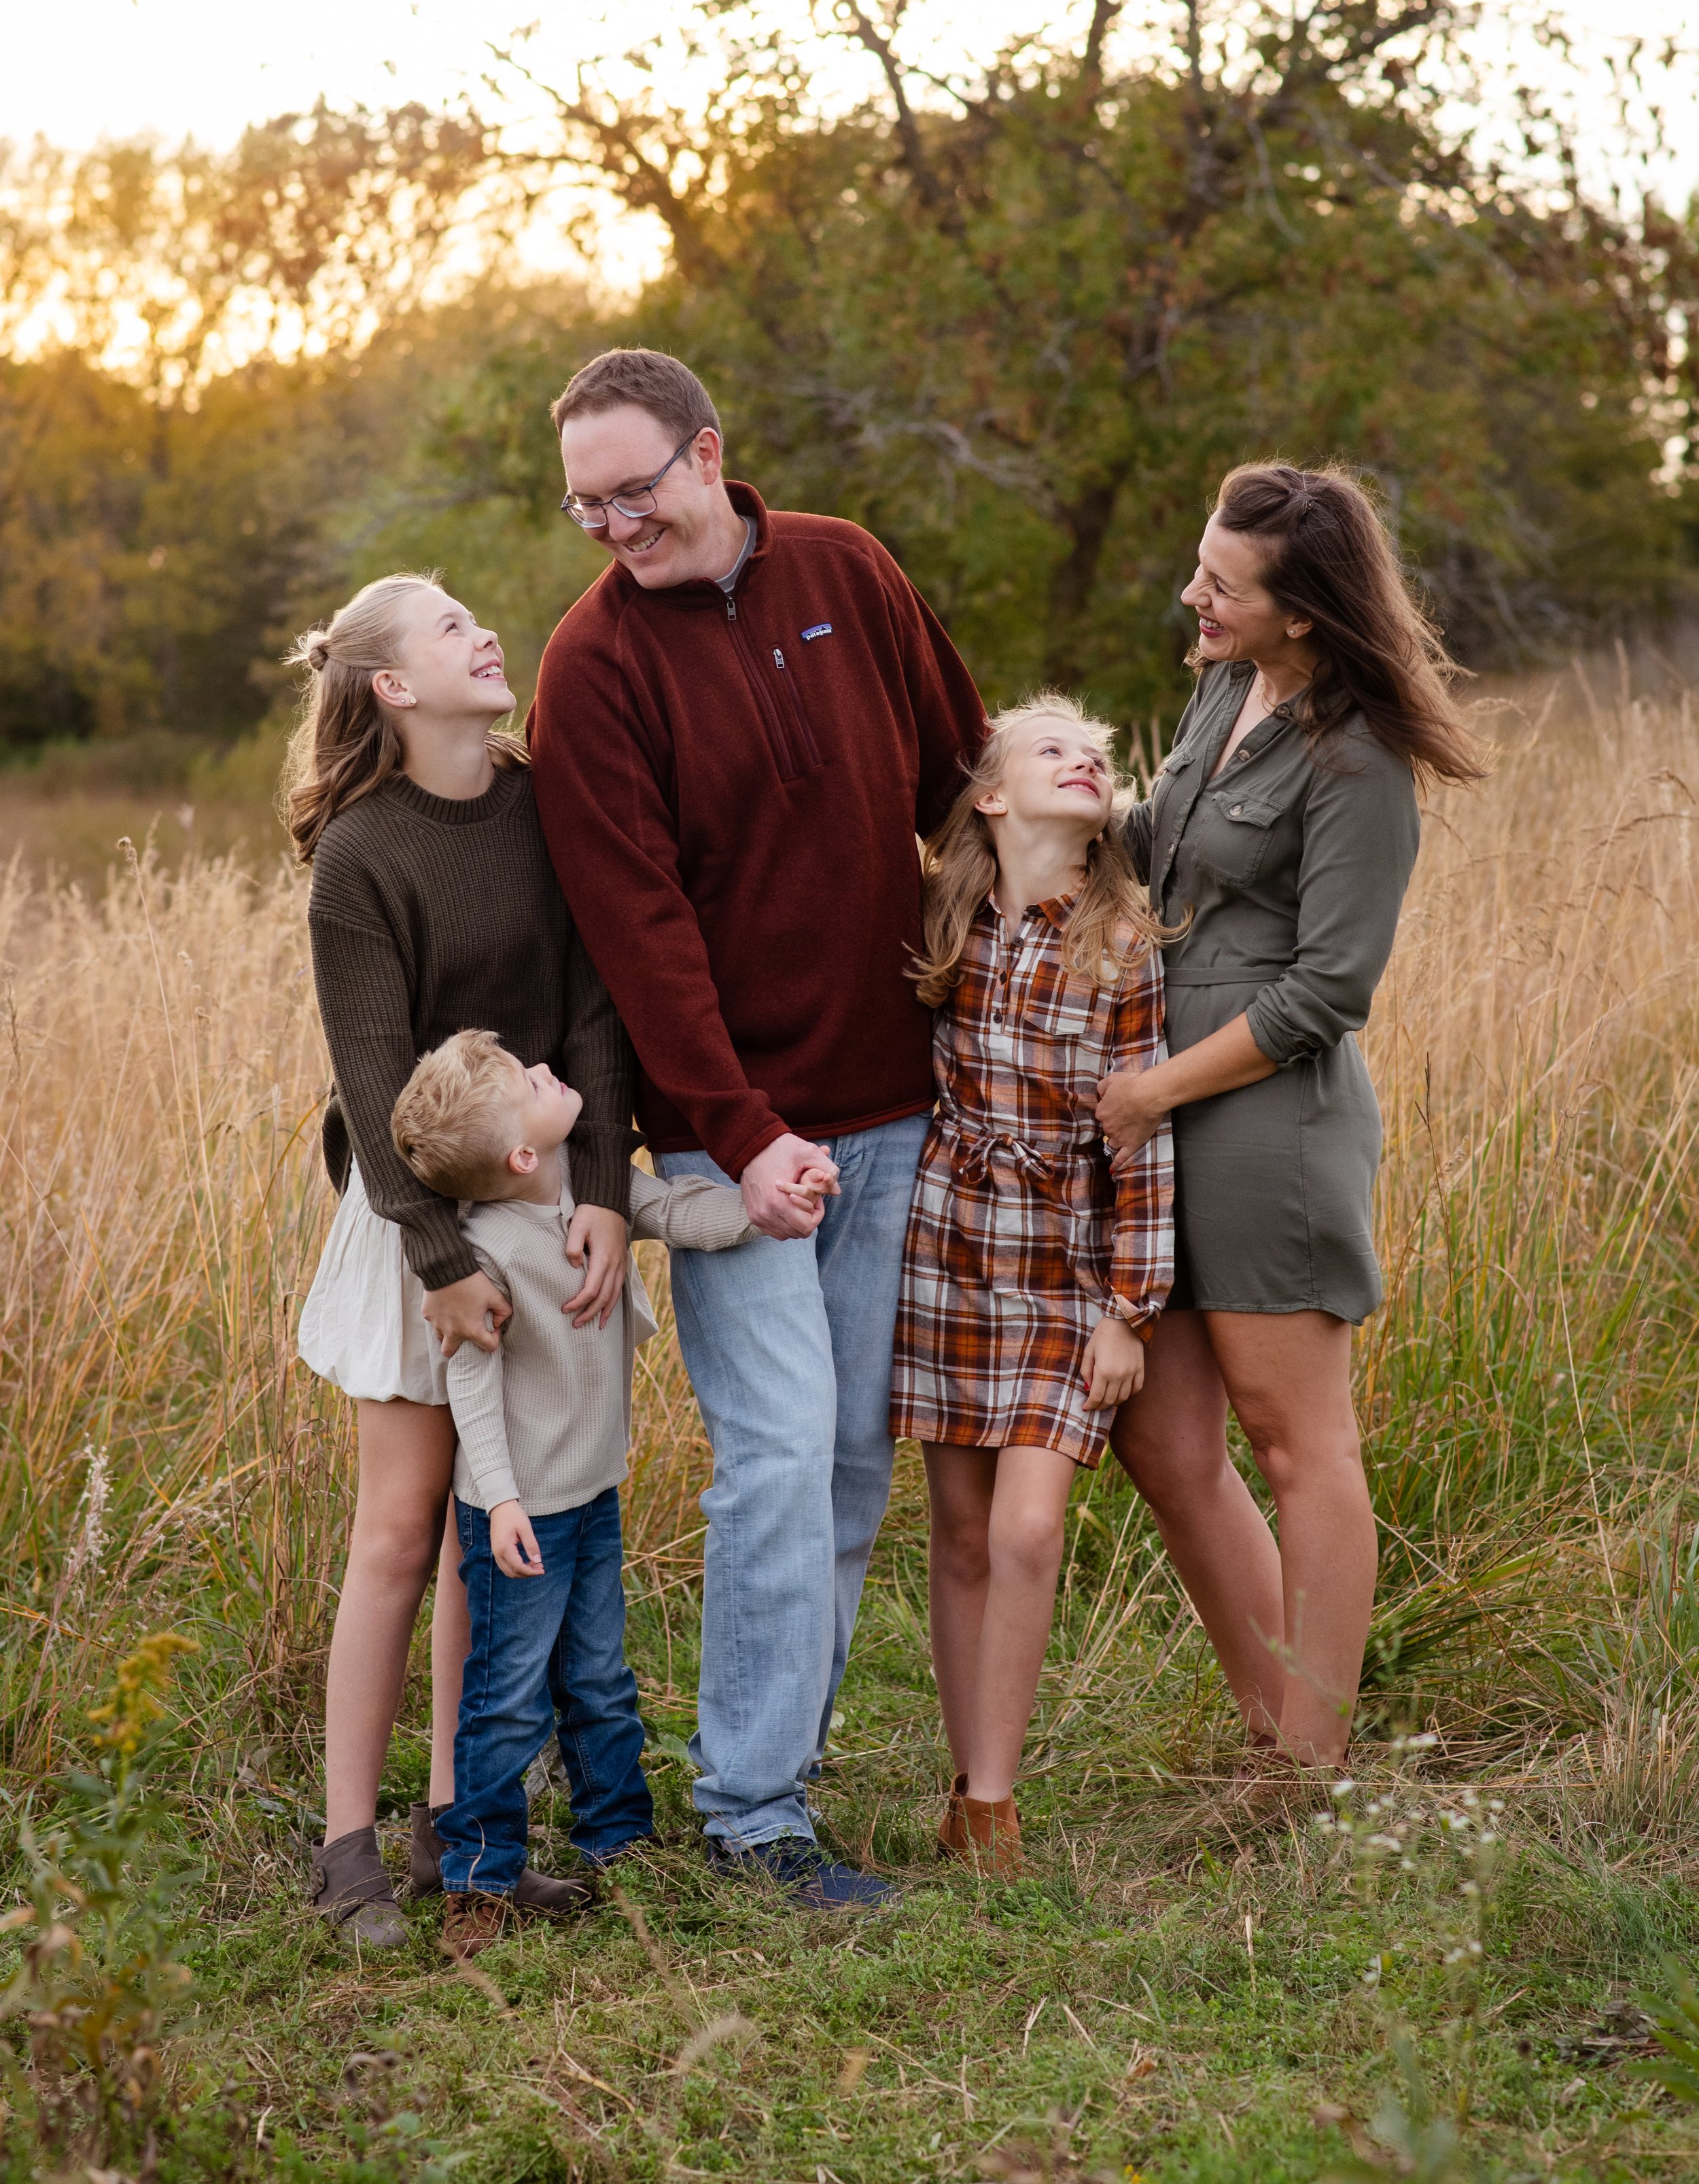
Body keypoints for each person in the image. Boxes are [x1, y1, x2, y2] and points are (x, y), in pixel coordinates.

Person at [529, 347, 987, 1907]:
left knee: (851, 1460)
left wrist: (998, 1005)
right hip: (732, 1150)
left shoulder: (847, 571)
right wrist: (737, 1126)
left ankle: (772, 1768)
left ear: (707, 453)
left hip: (899, 1109)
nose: (611, 524)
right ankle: (749, 1819)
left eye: (634, 490)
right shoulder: (590, 670)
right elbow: (637, 927)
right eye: (584, 502)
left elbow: (958, 779)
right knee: (778, 1456)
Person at [1096, 465, 1484, 1769]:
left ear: (1303, 613)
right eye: (1201, 566)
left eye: (1222, 584)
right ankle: (1281, 1717)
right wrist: (1036, 800)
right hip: (1164, 1112)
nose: (1191, 595)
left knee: (1293, 1437)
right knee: (1162, 1434)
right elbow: (1159, 842)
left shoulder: (1358, 757)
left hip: (1267, 1124)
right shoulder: (1223, 685)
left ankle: (1310, 1767)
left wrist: (1152, 1089)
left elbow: (1332, 987)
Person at [286, 574, 635, 1946]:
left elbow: (597, 1007)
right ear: (389, 684)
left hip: (546, 1218)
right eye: (446, 627)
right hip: (409, 1230)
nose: (482, 632)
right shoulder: (360, 857)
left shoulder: (545, 804)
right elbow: (371, 1089)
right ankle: (345, 1849)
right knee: (398, 1528)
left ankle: (458, 1823)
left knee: (484, 1538)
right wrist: (438, 1261)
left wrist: (601, 1193)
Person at [388, 1027, 758, 1956]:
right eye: (531, 1079)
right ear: (521, 1151)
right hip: (517, 1511)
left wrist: (762, 1202)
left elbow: (679, 1211)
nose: (550, 1069)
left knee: (599, 1674)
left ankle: (616, 1837)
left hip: (593, 1490)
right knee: (507, 1693)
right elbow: (469, 1384)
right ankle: (480, 1872)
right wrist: (503, 1501)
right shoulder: (485, 1251)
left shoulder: (592, 1196)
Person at [892, 698, 1174, 1873]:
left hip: (1064, 1267)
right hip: (950, 1248)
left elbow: (1144, 1142)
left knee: (1027, 1525)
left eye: (1096, 753)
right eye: (1053, 749)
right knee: (958, 1531)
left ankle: (998, 1806)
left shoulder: (1121, 943)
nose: (1086, 759)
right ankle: (964, 1788)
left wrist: (1128, 1308)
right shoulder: (943, 920)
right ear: (993, 799)